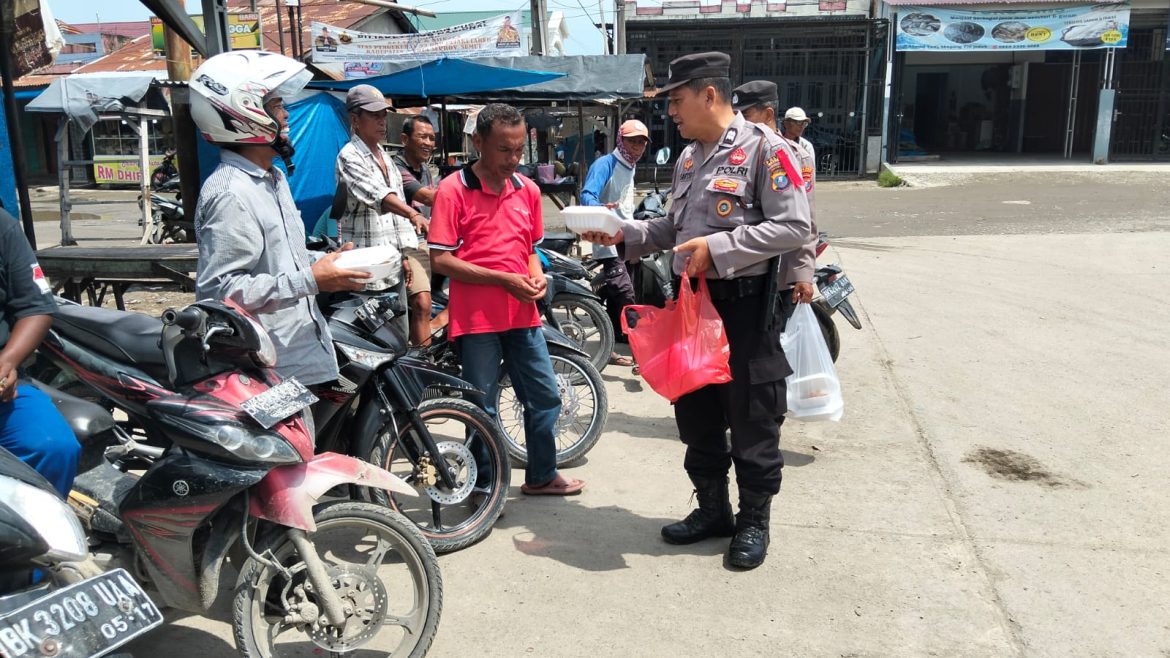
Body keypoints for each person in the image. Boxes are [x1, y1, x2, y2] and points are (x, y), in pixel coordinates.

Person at [585, 52, 814, 569]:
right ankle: (714, 510)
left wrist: (721, 248)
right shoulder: (689, 158)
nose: (672, 113)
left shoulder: (766, 151)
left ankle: (754, 522)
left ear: (709, 94)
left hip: (745, 310)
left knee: (752, 418)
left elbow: (796, 227)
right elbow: (672, 231)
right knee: (697, 414)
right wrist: (622, 233)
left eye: (677, 100)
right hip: (693, 307)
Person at [190, 51, 370, 414]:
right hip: (269, 369)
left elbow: (283, 257)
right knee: (290, 466)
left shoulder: (273, 179)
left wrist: (327, 262)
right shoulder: (231, 193)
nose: (286, 115)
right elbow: (219, 293)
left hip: (303, 352)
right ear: (243, 114)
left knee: (337, 422)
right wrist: (311, 279)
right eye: (275, 105)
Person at [429, 103, 585, 497]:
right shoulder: (453, 190)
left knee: (545, 396)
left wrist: (533, 276)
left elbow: (530, 249)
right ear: (479, 142)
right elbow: (441, 259)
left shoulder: (528, 190)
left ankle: (542, 474)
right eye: (504, 150)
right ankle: (485, 488)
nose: (513, 160)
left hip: (523, 315)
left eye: (519, 150)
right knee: (482, 408)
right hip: (476, 320)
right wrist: (503, 281)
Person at [335, 85, 432, 345]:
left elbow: (396, 217)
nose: (381, 122)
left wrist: (406, 255)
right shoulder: (349, 156)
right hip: (366, 273)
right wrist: (414, 214)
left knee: (398, 342)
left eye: (383, 115)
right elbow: (380, 196)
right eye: (374, 116)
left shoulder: (386, 158)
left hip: (392, 268)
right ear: (355, 120)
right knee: (375, 346)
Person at [0, 208, 79, 497]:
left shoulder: (2, 227)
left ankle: (33, 537)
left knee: (54, 446)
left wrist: (7, 362)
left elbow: (35, 307)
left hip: (6, 387)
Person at [733, 80, 817, 305]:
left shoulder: (795, 156)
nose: (739, 121)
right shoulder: (733, 155)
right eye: (735, 115)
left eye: (746, 114)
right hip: (742, 272)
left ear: (768, 113)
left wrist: (802, 274)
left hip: (779, 276)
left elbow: (805, 220)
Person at [580, 119, 650, 367]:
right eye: (632, 141)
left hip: (626, 238)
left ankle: (610, 344)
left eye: (641, 142)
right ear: (621, 140)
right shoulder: (606, 163)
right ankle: (640, 346)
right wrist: (600, 208)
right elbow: (587, 194)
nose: (637, 146)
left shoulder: (629, 166)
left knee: (616, 292)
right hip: (608, 240)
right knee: (625, 291)